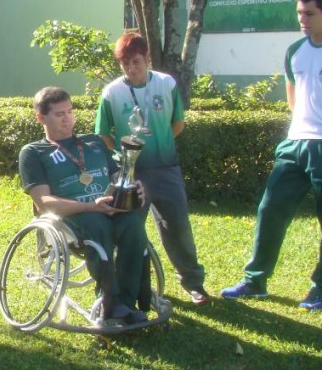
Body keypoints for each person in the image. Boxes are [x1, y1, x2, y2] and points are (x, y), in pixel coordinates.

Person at [220, 0, 322, 311]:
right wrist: (301, 130)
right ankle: (255, 281)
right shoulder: (295, 51)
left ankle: (321, 288)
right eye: (299, 13)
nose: (302, 20)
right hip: (295, 143)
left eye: (309, 13)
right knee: (270, 209)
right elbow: (294, 98)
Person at [95, 32, 210, 305]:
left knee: (178, 226)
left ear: (147, 59)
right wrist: (122, 160)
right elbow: (103, 133)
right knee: (130, 229)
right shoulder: (112, 92)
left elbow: (177, 124)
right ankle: (129, 289)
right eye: (125, 64)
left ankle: (194, 284)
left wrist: (159, 143)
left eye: (136, 62)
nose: (131, 69)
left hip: (166, 168)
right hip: (131, 176)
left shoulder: (166, 84)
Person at [18, 86, 148, 324]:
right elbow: (44, 202)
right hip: (72, 219)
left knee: (132, 224)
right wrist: (91, 207)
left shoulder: (94, 143)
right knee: (97, 224)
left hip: (108, 210)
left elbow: (118, 175)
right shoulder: (34, 152)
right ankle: (111, 300)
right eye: (59, 114)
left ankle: (126, 303)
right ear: (41, 118)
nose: (68, 119)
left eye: (70, 111)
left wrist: (131, 185)